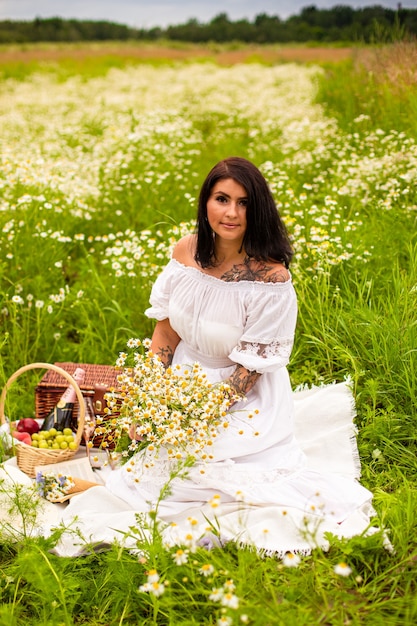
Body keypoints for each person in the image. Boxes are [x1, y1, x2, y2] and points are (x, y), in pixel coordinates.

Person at [27, 157, 374, 557]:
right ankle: (92, 484)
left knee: (194, 475)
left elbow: (250, 371)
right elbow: (167, 330)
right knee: (154, 466)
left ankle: (113, 485)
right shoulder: (186, 252)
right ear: (205, 201)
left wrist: (192, 415)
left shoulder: (270, 278)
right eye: (221, 198)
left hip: (240, 395)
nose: (231, 212)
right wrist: (150, 396)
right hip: (185, 379)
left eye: (243, 203)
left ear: (257, 209)